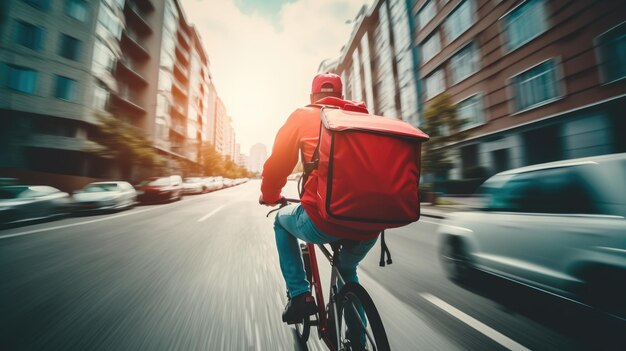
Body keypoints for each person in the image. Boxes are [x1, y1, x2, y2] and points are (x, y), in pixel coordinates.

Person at [259, 73, 380, 323]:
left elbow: (278, 165)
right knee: (347, 270)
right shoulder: (362, 117)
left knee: (281, 222)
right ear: (342, 97)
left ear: (312, 97)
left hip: (325, 218)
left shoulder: (303, 115)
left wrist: (270, 196)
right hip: (371, 223)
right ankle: (358, 342)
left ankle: (299, 295)